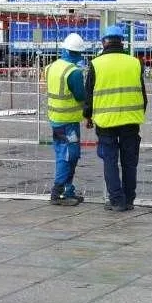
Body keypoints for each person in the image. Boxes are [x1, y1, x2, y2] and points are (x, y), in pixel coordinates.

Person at [83, 25, 147, 212]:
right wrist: (138, 112)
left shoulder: (96, 64)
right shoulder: (135, 63)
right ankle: (129, 200)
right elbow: (142, 94)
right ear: (122, 41)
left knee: (110, 161)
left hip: (106, 121)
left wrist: (88, 116)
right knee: (129, 162)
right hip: (130, 120)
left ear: (104, 41)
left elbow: (89, 95)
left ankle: (116, 200)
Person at [44, 33, 88, 206]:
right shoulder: (74, 72)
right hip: (68, 122)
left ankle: (67, 190)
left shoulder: (50, 67)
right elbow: (80, 96)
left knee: (65, 154)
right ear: (77, 53)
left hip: (56, 119)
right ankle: (58, 191)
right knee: (68, 155)